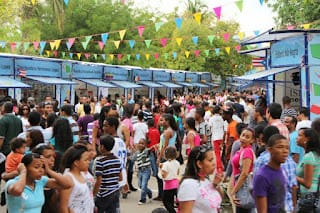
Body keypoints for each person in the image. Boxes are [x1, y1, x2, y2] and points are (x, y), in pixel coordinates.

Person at [6, 152, 72, 213]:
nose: (41, 170)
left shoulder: (40, 181)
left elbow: (67, 185)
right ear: (25, 168)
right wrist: (23, 172)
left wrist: (48, 170)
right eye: (36, 167)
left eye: (42, 167)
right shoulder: (12, 183)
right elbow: (18, 190)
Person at [253, 126, 297, 213]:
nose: (285, 151)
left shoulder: (282, 171)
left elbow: (293, 187)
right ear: (270, 150)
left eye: (287, 148)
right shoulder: (262, 176)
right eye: (280, 147)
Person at [178, 144, 223, 213]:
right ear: (199, 164)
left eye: (213, 159)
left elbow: (217, 202)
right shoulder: (189, 185)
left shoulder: (206, 180)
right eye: (210, 160)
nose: (214, 163)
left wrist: (215, 185)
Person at [59, 144, 94, 213]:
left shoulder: (83, 174)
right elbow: (64, 207)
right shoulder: (68, 178)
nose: (88, 162)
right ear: (76, 163)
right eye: (86, 160)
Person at [93, 135, 122, 212]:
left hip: (104, 193)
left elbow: (99, 180)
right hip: (115, 191)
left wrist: (93, 194)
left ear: (102, 146)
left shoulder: (100, 161)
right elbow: (120, 177)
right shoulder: (117, 159)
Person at [230, 128, 255, 213]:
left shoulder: (247, 151)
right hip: (239, 188)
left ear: (252, 140)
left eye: (247, 137)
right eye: (243, 135)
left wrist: (233, 192)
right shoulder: (242, 150)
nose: (243, 138)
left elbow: (244, 173)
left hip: (243, 189)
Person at [103, 116, 129, 198]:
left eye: (106, 126)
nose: (103, 128)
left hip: (112, 178)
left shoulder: (110, 142)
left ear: (113, 127)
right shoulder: (121, 141)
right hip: (121, 176)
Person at [296, 128, 320, 209]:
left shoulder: (309, 157)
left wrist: (292, 176)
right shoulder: (314, 154)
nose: (297, 138)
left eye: (299, 135)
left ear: (307, 139)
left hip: (308, 198)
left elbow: (307, 183)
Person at [158, 147, 180, 213]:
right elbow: (177, 173)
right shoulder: (177, 162)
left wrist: (160, 169)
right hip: (176, 183)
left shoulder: (166, 164)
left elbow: (163, 175)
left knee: (166, 202)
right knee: (171, 201)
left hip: (168, 185)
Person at [136, 138, 153, 204]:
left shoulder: (146, 151)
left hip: (146, 170)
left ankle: (143, 199)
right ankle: (149, 192)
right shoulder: (137, 153)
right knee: (140, 185)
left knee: (143, 185)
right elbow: (133, 159)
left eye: (142, 143)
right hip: (140, 171)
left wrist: (152, 147)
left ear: (145, 145)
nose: (141, 145)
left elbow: (149, 149)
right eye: (139, 143)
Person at [209, 105, 225, 172]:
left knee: (217, 153)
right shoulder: (222, 118)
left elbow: (210, 127)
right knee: (223, 152)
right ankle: (224, 165)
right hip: (222, 136)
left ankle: (219, 167)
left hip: (215, 136)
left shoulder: (211, 118)